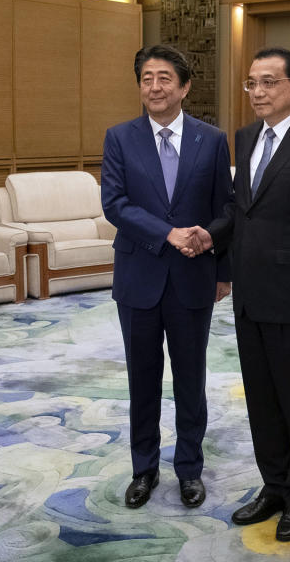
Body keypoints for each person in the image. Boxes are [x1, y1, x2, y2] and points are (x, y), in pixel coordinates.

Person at [184, 47, 290, 541]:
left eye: (269, 82)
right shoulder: (247, 137)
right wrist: (212, 237)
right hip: (251, 294)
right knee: (261, 397)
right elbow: (242, 211)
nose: (258, 92)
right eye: (251, 84)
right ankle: (274, 484)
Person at [101, 44, 233, 510]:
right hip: (138, 277)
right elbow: (114, 204)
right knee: (143, 378)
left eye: (163, 78)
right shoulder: (119, 138)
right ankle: (144, 469)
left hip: (195, 278)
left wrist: (224, 269)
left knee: (190, 378)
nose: (154, 87)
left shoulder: (211, 140)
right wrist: (168, 233)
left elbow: (226, 209)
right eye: (146, 78)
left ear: (184, 87)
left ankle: (190, 470)